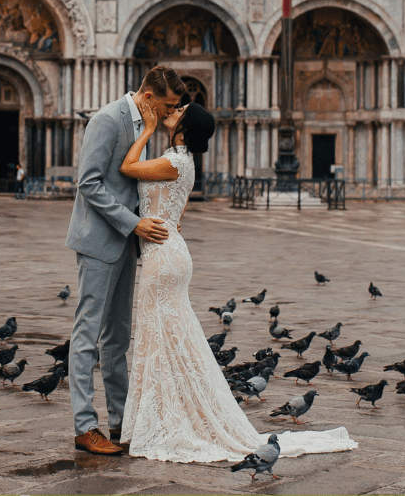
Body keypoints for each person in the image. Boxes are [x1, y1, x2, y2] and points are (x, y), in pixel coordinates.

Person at [116, 102, 357, 463]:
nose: (174, 108)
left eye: (180, 108)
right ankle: (166, 417)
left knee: (158, 338)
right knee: (165, 339)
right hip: (168, 251)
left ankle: (166, 420)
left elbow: (127, 167)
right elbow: (174, 215)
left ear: (184, 125)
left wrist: (146, 129)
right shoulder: (181, 161)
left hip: (163, 258)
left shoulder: (176, 161)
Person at [65, 64, 183, 455]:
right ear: (149, 97)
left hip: (126, 243)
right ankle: (85, 426)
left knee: (118, 337)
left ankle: (119, 421)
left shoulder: (142, 123)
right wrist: (133, 224)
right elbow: (89, 183)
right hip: (100, 241)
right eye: (167, 105)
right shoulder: (106, 119)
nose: (169, 114)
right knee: (87, 335)